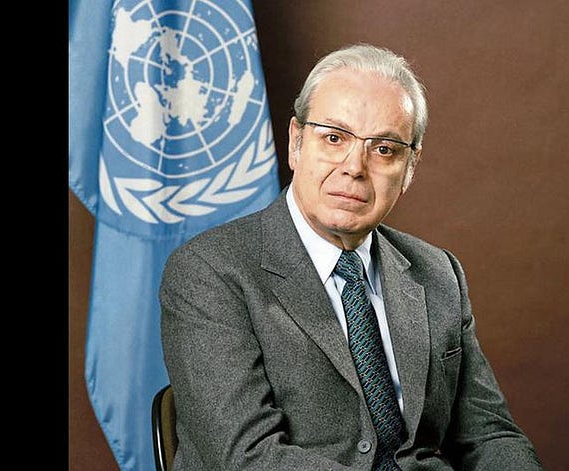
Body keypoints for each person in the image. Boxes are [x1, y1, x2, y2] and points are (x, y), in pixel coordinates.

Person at [160, 43, 544, 470]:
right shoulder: (209, 271)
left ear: (410, 167)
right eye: (334, 138)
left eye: (384, 149)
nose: (354, 167)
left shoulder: (438, 273)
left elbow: (489, 435)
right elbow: (248, 457)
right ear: (296, 142)